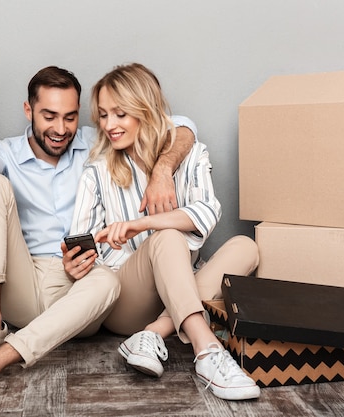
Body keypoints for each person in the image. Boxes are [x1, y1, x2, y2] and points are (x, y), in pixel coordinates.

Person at [0, 62, 197, 400]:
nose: (60, 128)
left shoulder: (95, 141)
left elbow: (182, 127)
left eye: (70, 117)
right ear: (28, 110)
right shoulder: (7, 152)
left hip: (81, 286)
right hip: (24, 282)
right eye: (49, 116)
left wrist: (163, 170)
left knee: (107, 280)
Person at [64, 63, 261, 401]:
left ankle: (156, 332)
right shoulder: (96, 172)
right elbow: (85, 243)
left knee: (246, 246)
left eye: (120, 114)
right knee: (167, 238)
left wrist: (142, 223)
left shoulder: (190, 153)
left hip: (180, 286)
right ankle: (207, 352)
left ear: (145, 109)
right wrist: (82, 261)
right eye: (103, 115)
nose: (109, 125)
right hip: (127, 300)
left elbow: (208, 211)